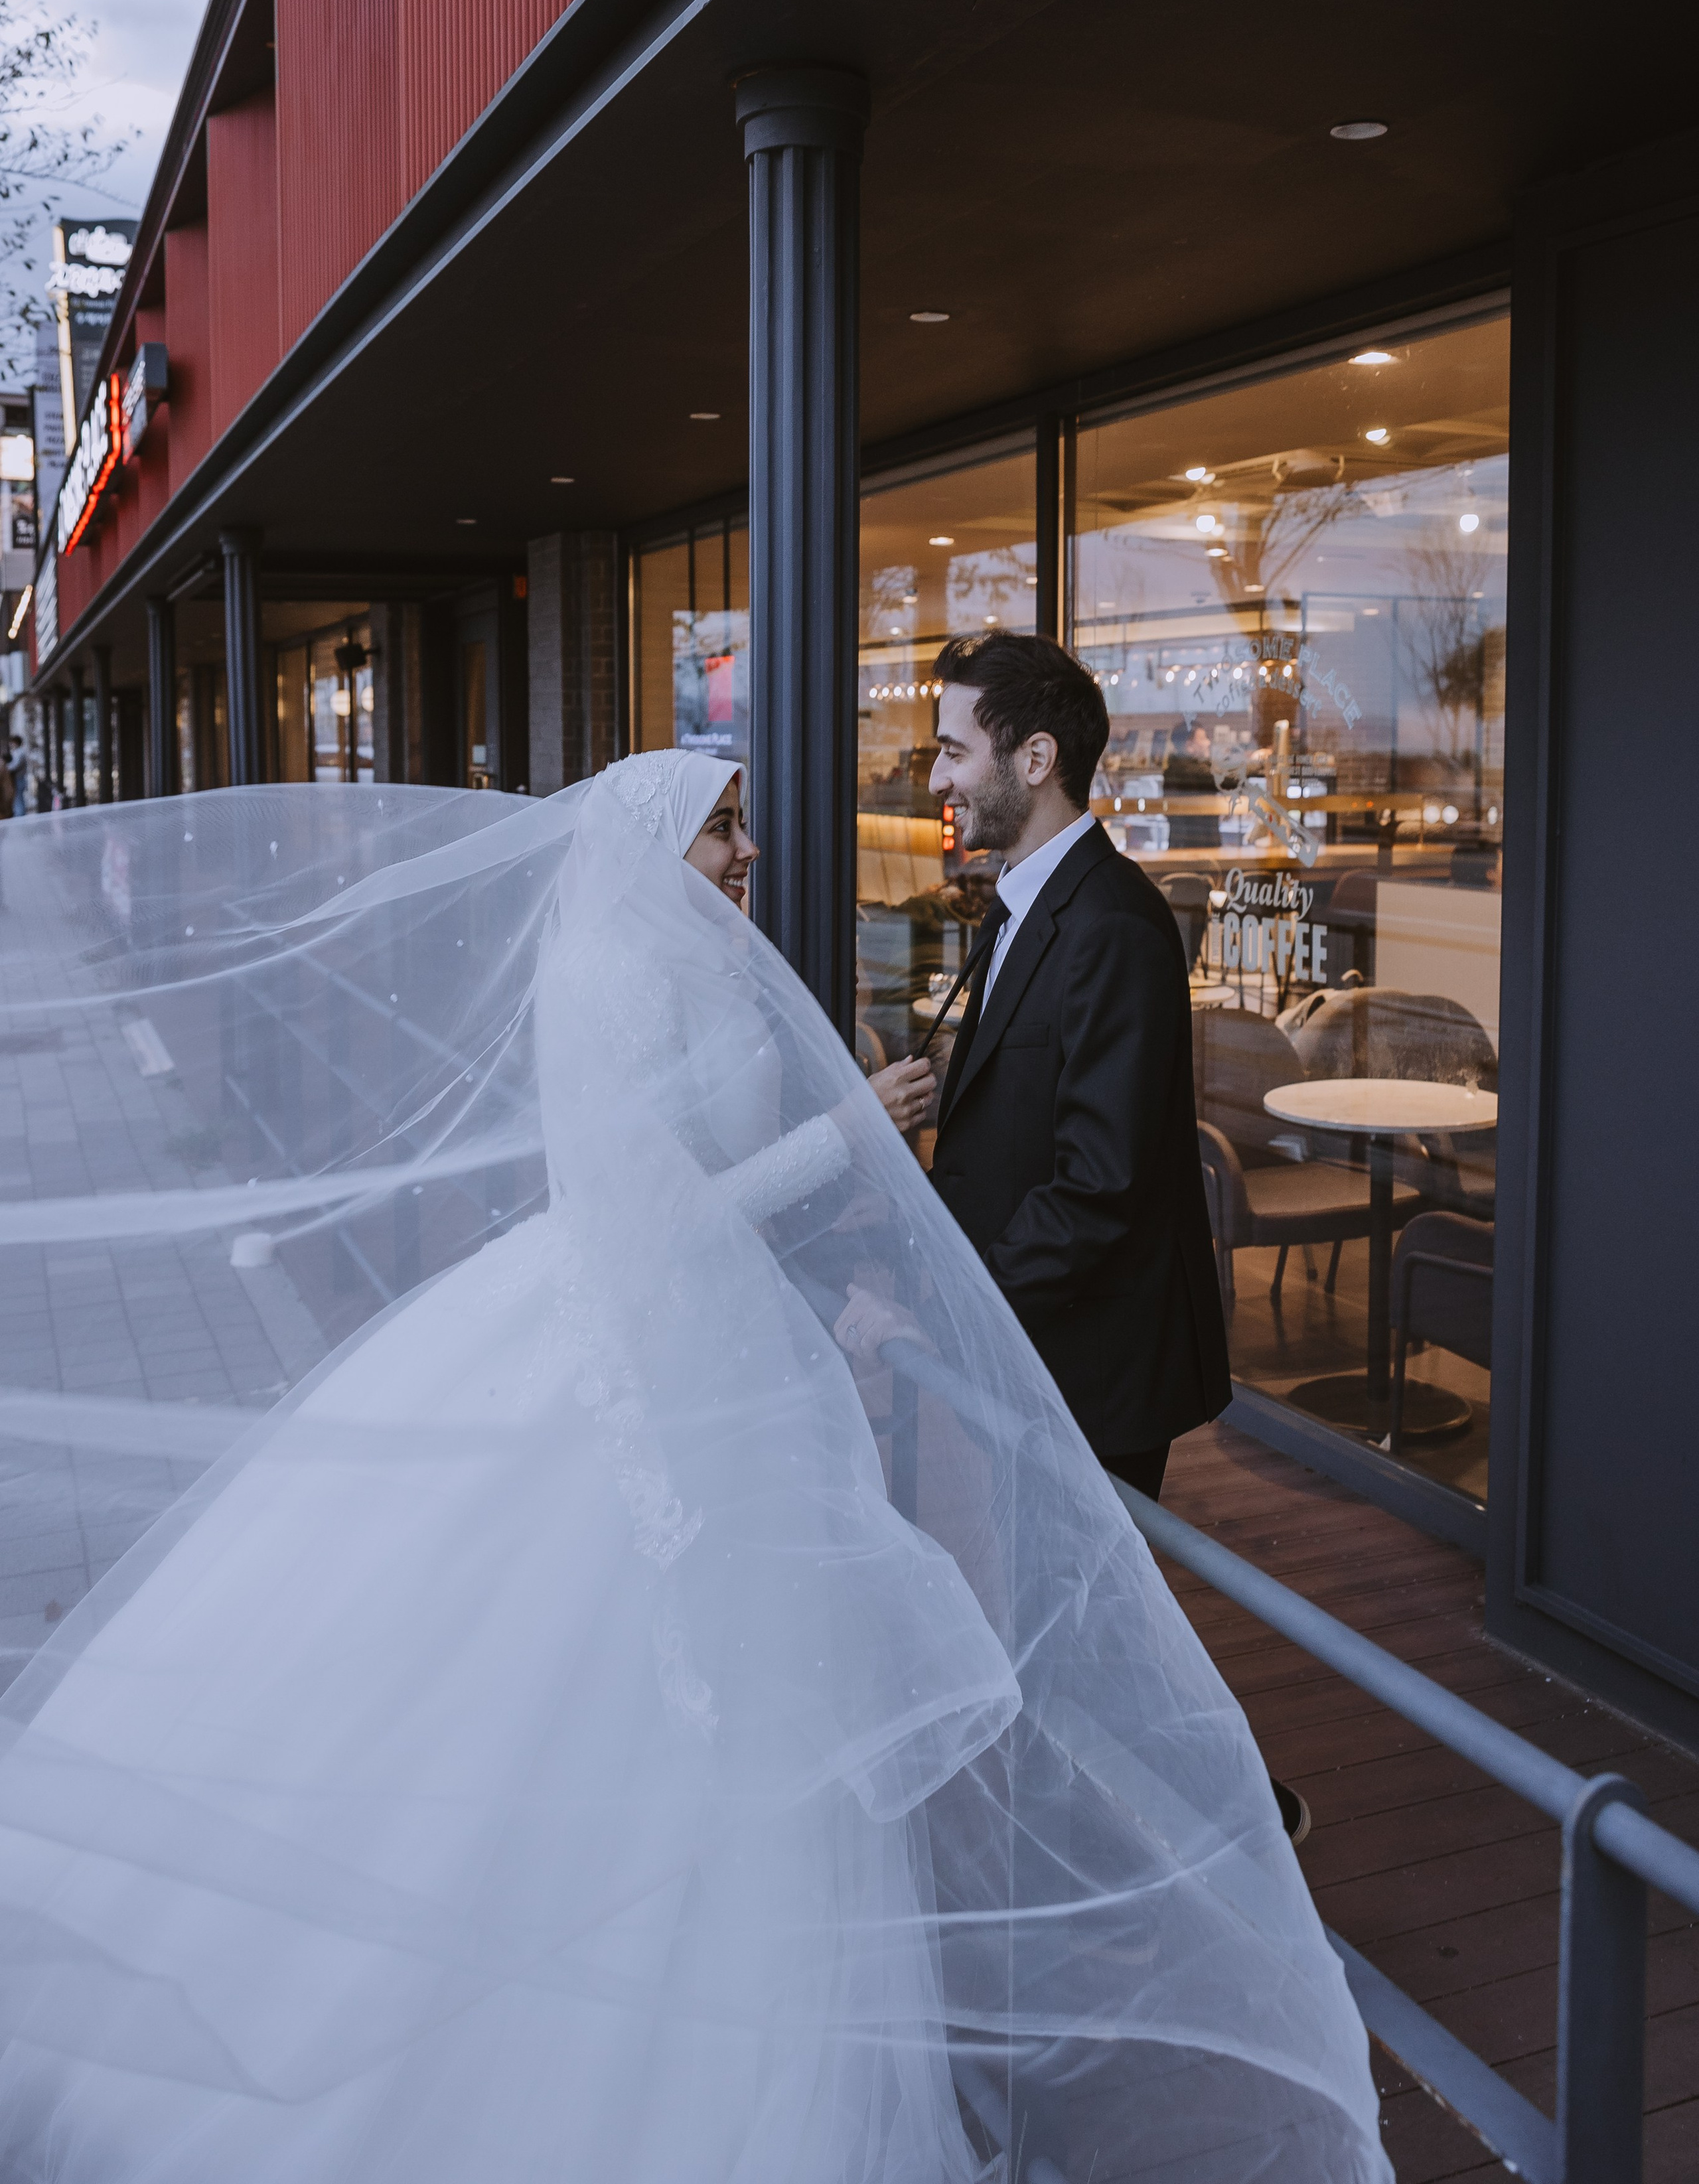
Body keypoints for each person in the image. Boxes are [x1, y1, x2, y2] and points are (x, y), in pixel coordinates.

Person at [0, 755, 1385, 2180]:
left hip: (722, 1354)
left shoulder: (694, 964)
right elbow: (655, 1215)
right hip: (647, 1361)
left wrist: (838, 1235)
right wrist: (856, 1127)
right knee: (623, 1701)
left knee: (742, 1721)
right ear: (654, 843)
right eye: (723, 827)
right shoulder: (614, 975)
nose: (750, 849)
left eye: (739, 824)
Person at [917, 636, 1229, 1502]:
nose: (938, 780)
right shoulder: (1027, 899)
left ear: (1037, 758)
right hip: (1031, 1359)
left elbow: (1100, 1187)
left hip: (1090, 1377)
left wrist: (950, 1304)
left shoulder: (1115, 924)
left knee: (1078, 1635)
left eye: (953, 752)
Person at [1162, 717, 1222, 851]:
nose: (1208, 743)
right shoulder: (1190, 770)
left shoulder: (1174, 769)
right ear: (1189, 746)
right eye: (1204, 738)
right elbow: (1227, 780)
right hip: (1197, 848)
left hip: (1182, 846)